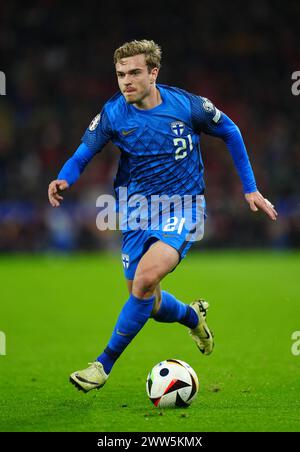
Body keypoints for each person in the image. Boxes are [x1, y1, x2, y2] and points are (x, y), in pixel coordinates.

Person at [48, 40, 277, 393]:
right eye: (121, 74)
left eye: (135, 73)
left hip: (184, 207)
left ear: (154, 73)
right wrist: (64, 177)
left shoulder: (187, 106)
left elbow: (231, 130)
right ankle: (192, 317)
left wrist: (250, 188)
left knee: (143, 282)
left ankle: (101, 366)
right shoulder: (112, 114)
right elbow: (82, 154)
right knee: (147, 299)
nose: (126, 81)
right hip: (135, 212)